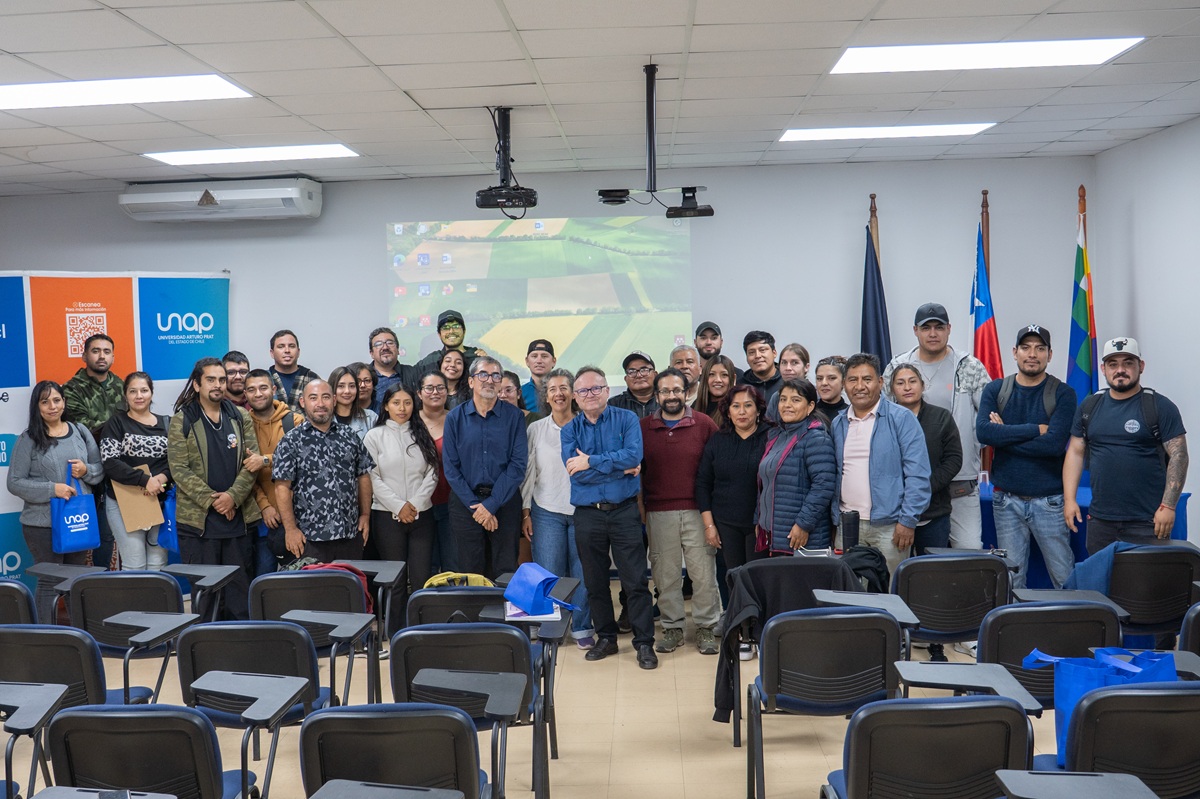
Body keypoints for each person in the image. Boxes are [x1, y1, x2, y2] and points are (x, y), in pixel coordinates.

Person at [561, 366, 657, 669]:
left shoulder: (626, 419)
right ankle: (606, 638)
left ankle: (644, 642)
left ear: (607, 391)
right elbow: (576, 474)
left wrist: (591, 461)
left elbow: (633, 457)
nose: (590, 394)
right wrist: (618, 469)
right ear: (575, 397)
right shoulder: (570, 430)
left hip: (624, 511)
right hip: (588, 514)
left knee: (635, 580)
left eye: (596, 388)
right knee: (595, 581)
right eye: (583, 390)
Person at [1064, 336, 1188, 554]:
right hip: (1100, 521)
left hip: (1147, 521)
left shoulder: (1159, 406)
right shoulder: (1089, 406)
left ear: (1141, 366)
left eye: (1128, 363)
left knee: (1145, 577)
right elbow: (1075, 452)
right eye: (1113, 364)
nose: (1120, 370)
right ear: (1103, 369)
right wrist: (1069, 500)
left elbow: (1179, 455)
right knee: (1101, 576)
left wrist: (1168, 506)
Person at [977, 325, 1078, 587]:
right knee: (1011, 579)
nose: (1032, 354)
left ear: (1049, 354)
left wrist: (1004, 436)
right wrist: (1035, 430)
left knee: (1064, 578)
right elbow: (984, 433)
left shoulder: (1063, 393)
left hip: (1050, 502)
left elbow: (1053, 445)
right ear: (1015, 352)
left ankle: (1076, 615)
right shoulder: (996, 390)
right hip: (1006, 501)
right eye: (1026, 348)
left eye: (1040, 348)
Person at [884, 303, 990, 550]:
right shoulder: (898, 366)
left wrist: (971, 443)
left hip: (960, 481)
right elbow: (884, 417)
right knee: (906, 556)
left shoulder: (969, 366)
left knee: (969, 552)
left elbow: (988, 419)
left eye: (939, 327)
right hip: (908, 486)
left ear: (949, 329)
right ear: (915, 331)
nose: (933, 333)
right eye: (926, 328)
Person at [167, 358, 261, 620]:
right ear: (197, 384)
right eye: (211, 380)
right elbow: (179, 470)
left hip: (238, 520)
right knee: (206, 597)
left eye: (221, 379)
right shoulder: (182, 420)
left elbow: (252, 462)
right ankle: (205, 642)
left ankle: (239, 640)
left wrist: (232, 497)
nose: (218, 385)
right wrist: (215, 501)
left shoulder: (240, 416)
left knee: (239, 596)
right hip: (199, 524)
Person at [7, 380, 104, 622]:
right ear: (37, 407)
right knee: (50, 583)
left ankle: (80, 635)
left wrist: (86, 471)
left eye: (57, 400)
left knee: (75, 581)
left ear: (64, 402)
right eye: (45, 402)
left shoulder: (80, 431)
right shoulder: (29, 438)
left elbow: (99, 469)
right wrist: (53, 489)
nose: (52, 406)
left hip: (77, 521)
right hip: (42, 526)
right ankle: (46, 636)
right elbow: (14, 482)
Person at [640, 368, 721, 655]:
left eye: (677, 390)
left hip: (698, 512)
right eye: (665, 391)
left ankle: (706, 627)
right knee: (666, 576)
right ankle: (672, 628)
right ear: (657, 395)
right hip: (659, 512)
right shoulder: (643, 428)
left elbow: (716, 469)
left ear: (686, 392)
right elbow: (637, 473)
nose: (671, 396)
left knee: (703, 574)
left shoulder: (704, 424)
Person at [831, 354, 931, 576]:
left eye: (867, 379)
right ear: (844, 384)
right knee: (849, 591)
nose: (859, 386)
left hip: (891, 527)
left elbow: (918, 475)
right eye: (852, 380)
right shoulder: (838, 423)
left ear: (880, 382)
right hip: (847, 526)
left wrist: (907, 521)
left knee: (889, 591)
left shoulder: (901, 418)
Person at [521, 368, 596, 650]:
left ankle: (581, 627)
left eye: (564, 388)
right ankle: (552, 628)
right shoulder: (536, 429)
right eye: (552, 389)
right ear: (546, 397)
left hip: (583, 510)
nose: (558, 394)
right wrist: (526, 512)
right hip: (546, 510)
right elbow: (529, 473)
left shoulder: (588, 425)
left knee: (582, 573)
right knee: (549, 572)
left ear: (574, 393)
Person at [442, 356, 528, 579]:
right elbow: (451, 468)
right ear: (471, 381)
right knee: (469, 571)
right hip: (465, 503)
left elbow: (518, 465)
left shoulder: (514, 417)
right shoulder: (454, 418)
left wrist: (491, 504)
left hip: (505, 502)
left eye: (495, 376)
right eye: (483, 375)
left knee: (505, 570)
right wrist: (476, 507)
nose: (489, 380)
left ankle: (502, 605)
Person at [273, 380, 374, 562]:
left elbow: (363, 475)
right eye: (313, 398)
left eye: (325, 397)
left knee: (350, 581)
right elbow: (282, 487)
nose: (320, 403)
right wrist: (290, 529)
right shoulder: (291, 441)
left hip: (349, 534)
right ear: (303, 402)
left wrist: (365, 515)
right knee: (316, 582)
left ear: (334, 400)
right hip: (309, 538)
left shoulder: (349, 435)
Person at [364, 383, 439, 612]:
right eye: (396, 403)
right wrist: (399, 506)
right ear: (386, 406)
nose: (402, 408)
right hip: (386, 516)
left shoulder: (422, 434)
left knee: (421, 578)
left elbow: (433, 473)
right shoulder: (374, 436)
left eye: (407, 403)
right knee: (395, 581)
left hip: (421, 515)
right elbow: (372, 477)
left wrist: (414, 504)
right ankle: (394, 629)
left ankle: (421, 625)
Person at [695, 385, 768, 613]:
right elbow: (703, 483)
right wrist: (709, 526)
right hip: (725, 523)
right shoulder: (718, 440)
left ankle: (759, 625)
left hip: (760, 524)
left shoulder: (771, 436)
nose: (742, 411)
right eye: (736, 406)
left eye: (748, 405)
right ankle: (737, 623)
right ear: (728, 411)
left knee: (758, 579)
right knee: (732, 578)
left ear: (758, 410)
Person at [62, 332, 123, 570]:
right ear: (84, 356)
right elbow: (84, 428)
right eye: (95, 351)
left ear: (113, 356)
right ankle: (85, 583)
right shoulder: (71, 389)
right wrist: (120, 428)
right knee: (84, 532)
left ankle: (106, 580)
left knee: (110, 534)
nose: (101, 356)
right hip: (87, 470)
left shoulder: (122, 386)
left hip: (119, 469)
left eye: (107, 352)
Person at [99, 371, 171, 572]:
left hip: (159, 501)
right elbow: (110, 462)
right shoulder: (116, 423)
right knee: (135, 566)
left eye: (144, 390)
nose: (139, 396)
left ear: (151, 393)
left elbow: (177, 461)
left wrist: (163, 477)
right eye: (133, 391)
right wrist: (145, 480)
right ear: (125, 395)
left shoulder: (167, 423)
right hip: (124, 502)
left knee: (158, 565)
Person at [756, 379, 837, 556]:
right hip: (776, 533)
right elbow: (766, 482)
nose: (787, 405)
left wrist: (803, 524)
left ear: (810, 406)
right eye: (783, 399)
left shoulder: (816, 438)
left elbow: (823, 487)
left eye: (795, 400)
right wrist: (760, 520)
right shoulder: (776, 435)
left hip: (803, 537)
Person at [891, 364, 962, 556]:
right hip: (894, 514)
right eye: (900, 383)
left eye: (912, 381)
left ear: (922, 386)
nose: (907, 387)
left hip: (934, 511)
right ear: (891, 389)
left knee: (932, 570)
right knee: (896, 570)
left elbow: (954, 459)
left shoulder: (941, 417)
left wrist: (922, 487)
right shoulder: (886, 419)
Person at [244, 368, 305, 574]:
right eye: (251, 390)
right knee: (264, 578)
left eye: (263, 388)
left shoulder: (294, 421)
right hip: (265, 520)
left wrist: (265, 460)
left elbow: (302, 459)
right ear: (245, 394)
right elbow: (245, 472)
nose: (258, 394)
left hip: (298, 516)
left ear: (274, 389)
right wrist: (264, 506)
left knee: (302, 577)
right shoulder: (243, 426)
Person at [418, 370, 456, 574]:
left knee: (452, 563)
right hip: (418, 505)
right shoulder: (410, 422)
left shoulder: (457, 419)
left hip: (452, 503)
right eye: (429, 388)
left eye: (440, 388)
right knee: (425, 564)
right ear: (419, 393)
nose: (435, 392)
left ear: (447, 391)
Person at [415, 310, 487, 377]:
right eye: (446, 327)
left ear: (464, 331)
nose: (451, 331)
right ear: (439, 334)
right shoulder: (432, 360)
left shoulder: (477, 358)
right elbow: (410, 375)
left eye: (456, 326)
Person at [268, 329, 319, 411]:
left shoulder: (312, 379)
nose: (287, 350)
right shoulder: (264, 379)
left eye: (291, 346)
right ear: (272, 353)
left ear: (298, 352)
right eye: (281, 346)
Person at [367, 327, 413, 411]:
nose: (385, 347)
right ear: (372, 353)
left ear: (398, 350)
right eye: (378, 344)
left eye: (390, 343)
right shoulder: (363, 377)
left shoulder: (413, 373)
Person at [329, 365, 378, 440]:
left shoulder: (370, 418)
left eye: (352, 386)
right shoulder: (324, 418)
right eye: (341, 386)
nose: (347, 391)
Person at [766, 343, 811, 421]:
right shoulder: (776, 397)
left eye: (795, 363)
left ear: (806, 367)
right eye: (784, 363)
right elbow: (768, 425)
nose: (788, 368)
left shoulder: (815, 395)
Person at [608, 351, 659, 419]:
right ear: (625, 379)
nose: (639, 375)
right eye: (632, 372)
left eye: (644, 370)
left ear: (655, 375)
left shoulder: (667, 400)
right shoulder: (614, 404)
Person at [742, 331, 782, 402]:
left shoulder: (788, 382)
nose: (757, 356)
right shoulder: (739, 386)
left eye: (762, 350)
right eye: (751, 352)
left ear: (774, 353)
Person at [695, 354, 736, 421]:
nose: (718, 380)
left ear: (734, 379)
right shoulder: (695, 406)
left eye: (724, 375)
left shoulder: (736, 409)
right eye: (712, 374)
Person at [522, 339, 556, 410]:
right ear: (527, 361)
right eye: (534, 356)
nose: (539, 361)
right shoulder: (520, 393)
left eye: (544, 356)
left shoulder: (565, 391)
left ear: (554, 361)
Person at [814, 355, 849, 420]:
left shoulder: (851, 415)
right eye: (819, 378)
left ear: (843, 382)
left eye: (832, 378)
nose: (824, 383)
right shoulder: (807, 413)